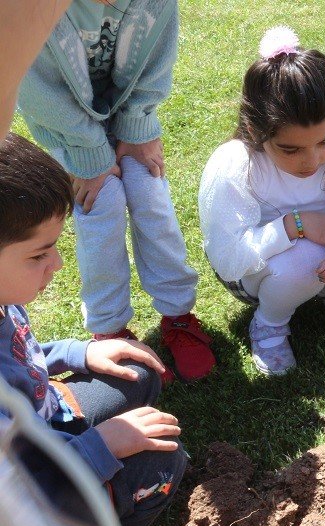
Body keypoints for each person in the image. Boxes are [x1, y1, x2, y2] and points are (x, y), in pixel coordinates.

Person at [0, 131, 187, 526]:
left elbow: (25, 348)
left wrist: (80, 352)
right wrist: (103, 447)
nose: (58, 264)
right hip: (32, 503)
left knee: (137, 375)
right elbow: (19, 492)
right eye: (39, 254)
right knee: (165, 463)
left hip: (45, 426)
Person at [17, 0, 216, 383]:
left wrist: (138, 124)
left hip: (128, 116)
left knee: (148, 188)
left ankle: (178, 314)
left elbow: (157, 58)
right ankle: (109, 329)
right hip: (67, 129)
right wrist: (88, 155)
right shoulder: (29, 7)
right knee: (100, 201)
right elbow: (39, 90)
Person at [199, 26, 325, 376]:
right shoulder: (236, 164)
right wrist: (294, 225)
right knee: (305, 258)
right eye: (290, 149)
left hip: (320, 254)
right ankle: (269, 325)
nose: (311, 161)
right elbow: (229, 258)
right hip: (258, 274)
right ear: (255, 132)